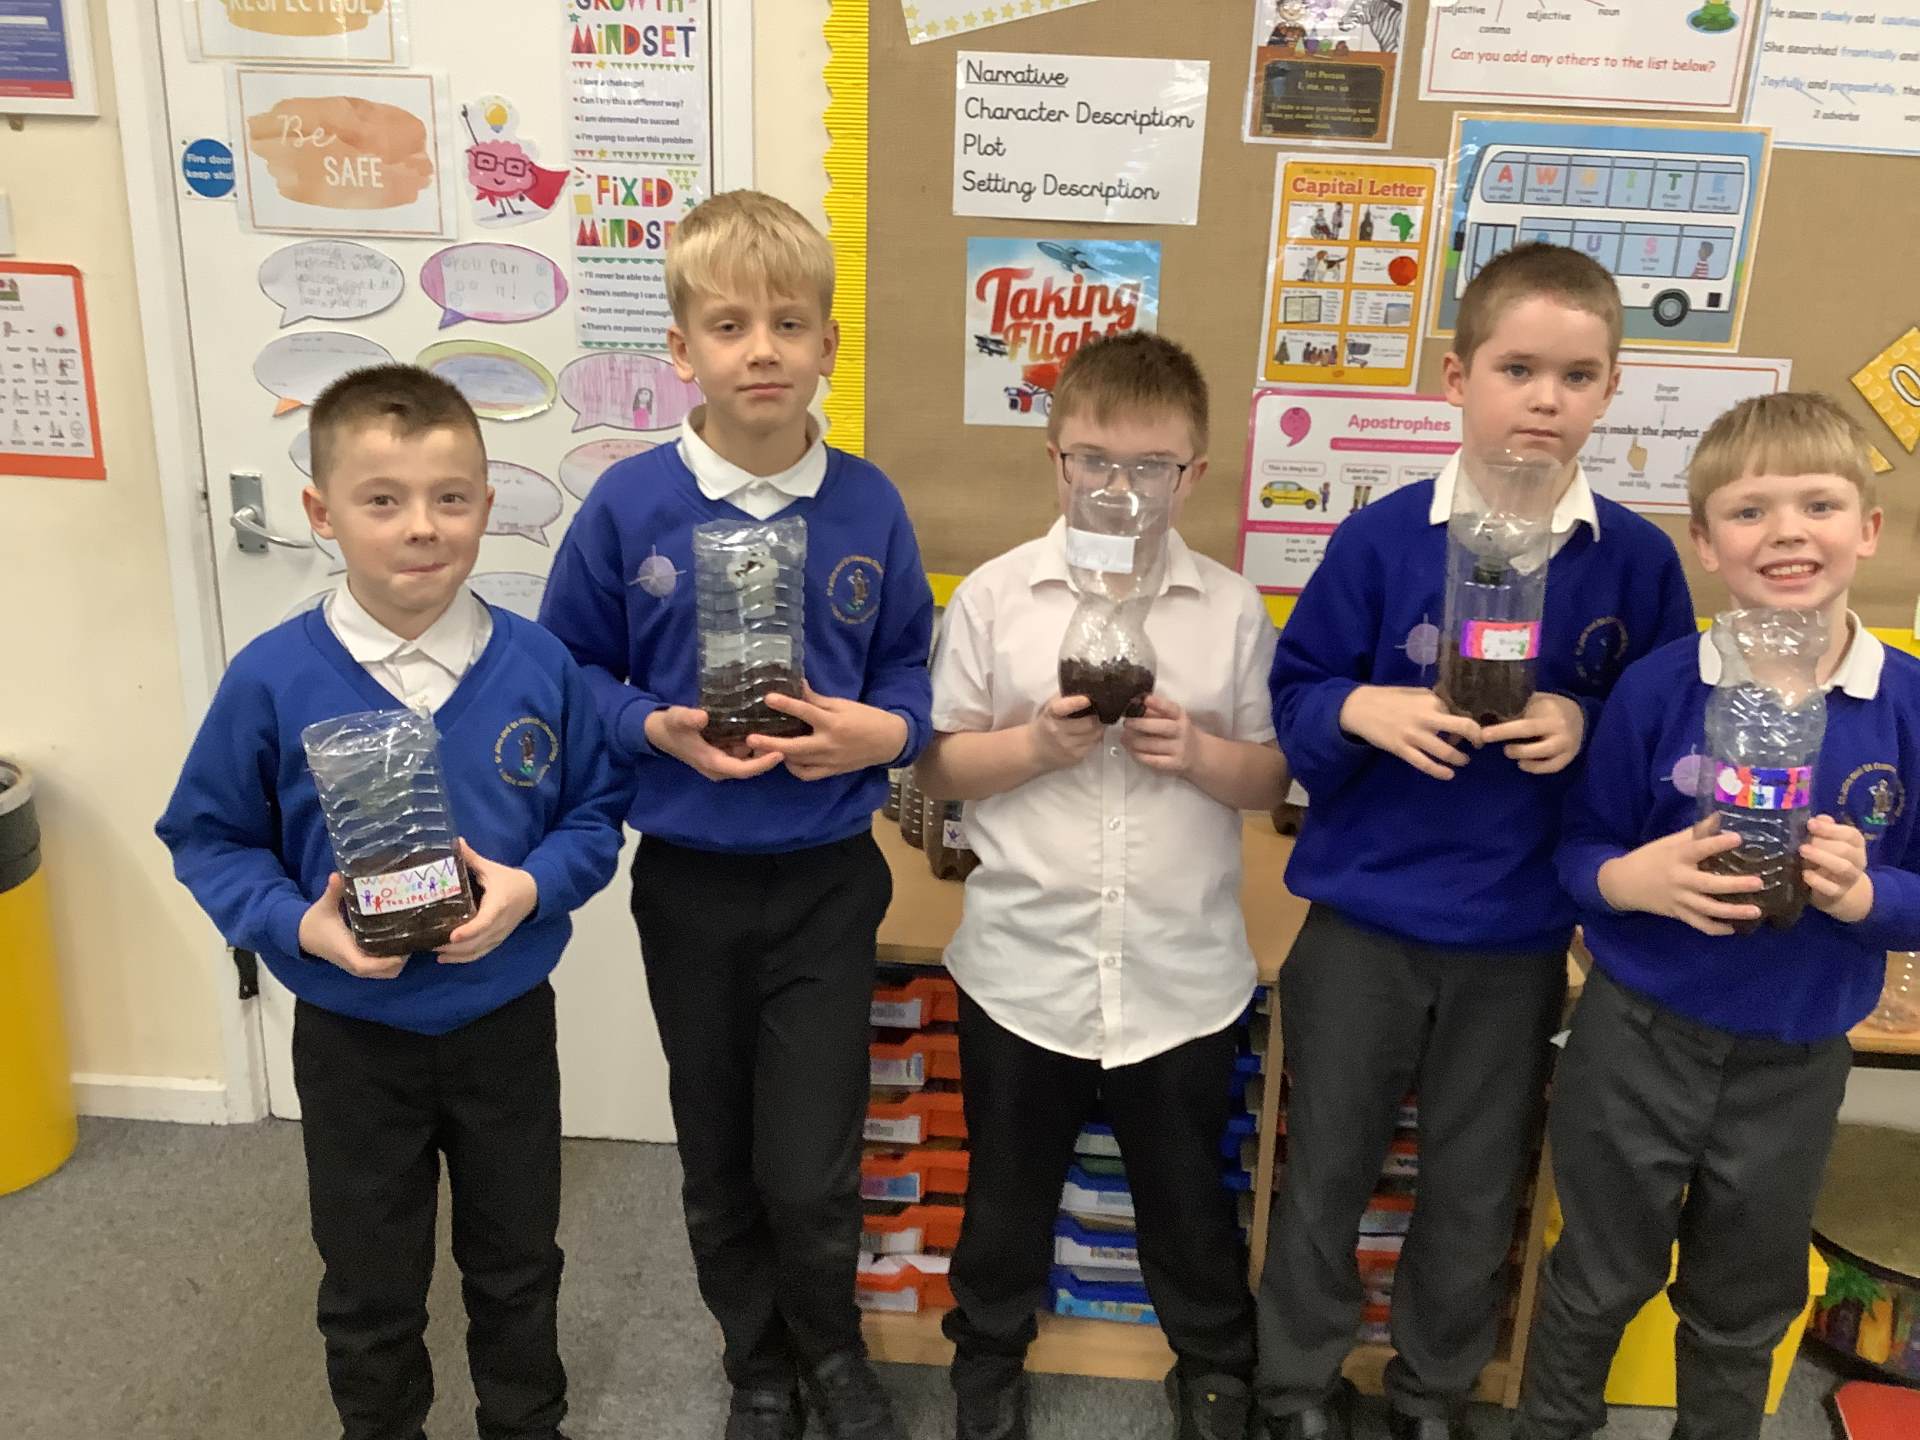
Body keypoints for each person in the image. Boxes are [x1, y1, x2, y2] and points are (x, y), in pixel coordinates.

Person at [1256, 243, 1696, 1440]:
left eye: (1577, 376)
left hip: (1518, 934)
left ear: (1610, 391)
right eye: (1518, 369)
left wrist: (1586, 720)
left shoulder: (1637, 563)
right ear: (1458, 378)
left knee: (1473, 1185)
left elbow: (1673, 744)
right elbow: (1295, 698)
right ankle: (1294, 1386)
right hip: (1363, 923)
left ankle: (1432, 1392)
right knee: (1325, 1171)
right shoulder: (1383, 539)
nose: (1545, 399)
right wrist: (1365, 709)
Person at [157, 364, 630, 1440]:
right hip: (353, 1036)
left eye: (450, 498)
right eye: (383, 500)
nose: (422, 527)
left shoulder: (540, 666)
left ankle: (528, 1423)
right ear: (321, 513)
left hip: (503, 1024)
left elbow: (597, 815)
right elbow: (209, 837)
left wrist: (531, 889)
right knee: (369, 1279)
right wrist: (299, 925)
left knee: (518, 1259)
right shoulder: (272, 679)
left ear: (485, 506)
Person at [538, 190, 934, 1440]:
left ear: (827, 345)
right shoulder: (629, 507)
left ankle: (833, 1354)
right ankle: (756, 1366)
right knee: (716, 1157)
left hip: (827, 878)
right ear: (681, 350)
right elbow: (567, 667)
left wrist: (888, 735)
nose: (761, 349)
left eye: (788, 323)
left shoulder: (867, 503)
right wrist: (648, 728)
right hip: (690, 880)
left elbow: (910, 665)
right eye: (728, 325)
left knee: (810, 1166)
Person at [1515, 392, 1920, 1440]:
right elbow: (1579, 852)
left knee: (1745, 1302)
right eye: (1750, 511)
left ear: (1868, 529)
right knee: (1595, 1276)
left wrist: (1869, 896)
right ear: (1705, 541)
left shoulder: (1906, 703)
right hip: (1637, 1038)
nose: (1787, 532)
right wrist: (1632, 881)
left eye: (1819, 505)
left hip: (1795, 1055)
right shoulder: (1659, 689)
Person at [917, 332, 1289, 1440]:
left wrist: (1204, 756)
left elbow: (1273, 777)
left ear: (1193, 474)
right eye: (1095, 461)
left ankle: (1213, 1362)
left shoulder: (1230, 610)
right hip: (1022, 971)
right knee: (1004, 1193)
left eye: (1150, 466)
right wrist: (1033, 747)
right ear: (1056, 461)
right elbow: (938, 763)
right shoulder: (996, 597)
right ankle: (987, 1354)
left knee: (1186, 1196)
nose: (1119, 488)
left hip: (1180, 975)